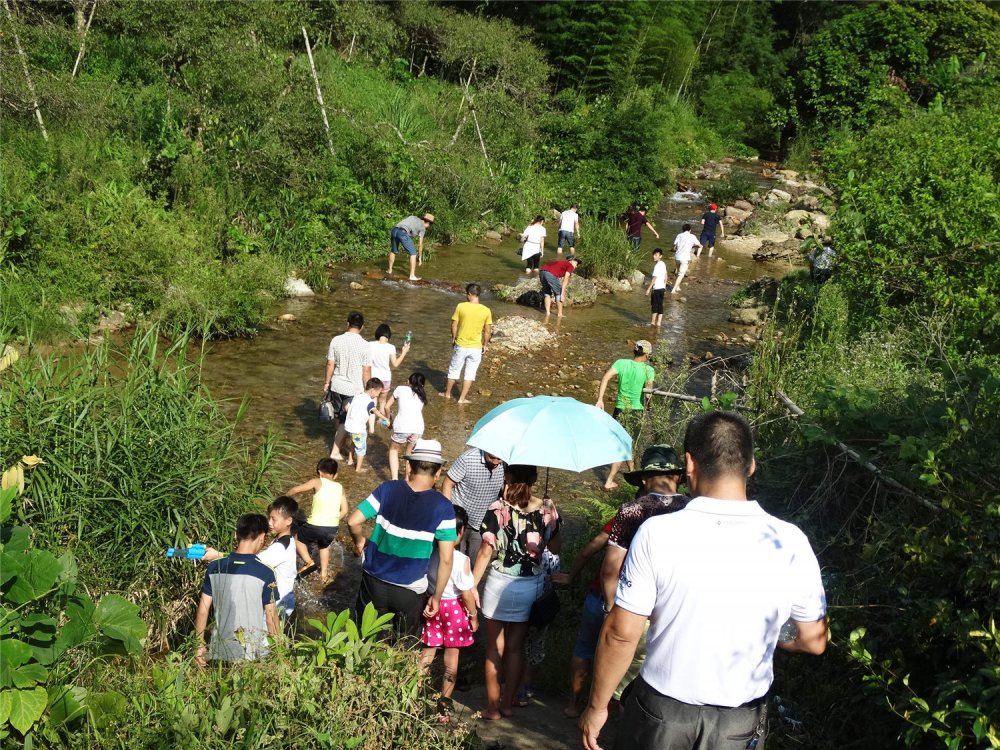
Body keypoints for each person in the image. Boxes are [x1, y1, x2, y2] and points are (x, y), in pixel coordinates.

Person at [580, 411, 829, 750]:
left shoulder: (658, 533)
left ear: (689, 464)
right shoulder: (790, 540)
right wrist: (770, 629)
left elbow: (622, 633)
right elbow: (813, 640)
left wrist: (596, 707)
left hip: (661, 714)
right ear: (751, 465)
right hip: (739, 721)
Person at [472, 465, 561, 720]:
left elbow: (485, 552)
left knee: (493, 649)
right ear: (534, 479)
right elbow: (555, 547)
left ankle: (492, 708)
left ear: (507, 478)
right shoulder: (546, 509)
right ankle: (508, 704)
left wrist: (472, 586)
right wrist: (551, 521)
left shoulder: (498, 509)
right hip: (529, 585)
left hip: (498, 581)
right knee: (515, 649)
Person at [348, 439, 457, 639]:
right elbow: (447, 559)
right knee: (402, 644)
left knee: (365, 638)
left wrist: (360, 541)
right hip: (410, 589)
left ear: (408, 465)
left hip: (374, 581)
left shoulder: (387, 489)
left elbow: (353, 521)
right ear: (439, 471)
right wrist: (437, 596)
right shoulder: (444, 507)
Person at [419, 505, 480, 723]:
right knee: (451, 660)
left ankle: (413, 694)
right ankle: (444, 705)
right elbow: (466, 594)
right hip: (453, 610)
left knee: (427, 653)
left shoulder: (430, 553)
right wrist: (473, 617)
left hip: (432, 606)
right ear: (461, 532)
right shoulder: (461, 560)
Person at [193, 513, 278, 666]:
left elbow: (203, 610)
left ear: (236, 534)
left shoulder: (214, 567)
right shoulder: (266, 572)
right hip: (251, 654)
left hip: (219, 651)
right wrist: (279, 652)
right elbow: (271, 618)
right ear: (262, 537)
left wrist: (199, 647)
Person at [550, 520, 615, 718]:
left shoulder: (625, 516)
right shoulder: (670, 519)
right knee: (616, 657)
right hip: (629, 607)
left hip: (598, 597)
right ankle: (604, 709)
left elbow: (589, 550)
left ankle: (573, 704)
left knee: (584, 648)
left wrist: (571, 576)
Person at [595, 341, 655, 489]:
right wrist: (649, 407)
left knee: (626, 443)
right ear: (647, 355)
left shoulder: (621, 363)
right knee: (624, 445)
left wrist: (600, 399)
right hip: (635, 410)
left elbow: (605, 377)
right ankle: (609, 481)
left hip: (619, 409)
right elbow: (648, 394)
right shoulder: (649, 370)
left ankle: (633, 473)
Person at [287, 457, 349, 583]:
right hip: (332, 527)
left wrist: (285, 497)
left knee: (297, 538)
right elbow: (345, 510)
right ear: (335, 475)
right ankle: (323, 574)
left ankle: (309, 562)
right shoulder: (340, 487)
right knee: (323, 546)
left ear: (319, 472)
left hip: (315, 525)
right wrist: (333, 520)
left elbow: (295, 490)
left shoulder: (317, 481)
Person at [441, 447, 506, 565]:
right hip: (461, 519)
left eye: (499, 459)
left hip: (483, 523)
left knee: (475, 563)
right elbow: (447, 484)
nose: (496, 462)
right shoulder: (468, 459)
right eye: (491, 457)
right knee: (453, 561)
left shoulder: (506, 463)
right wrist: (449, 515)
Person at [324, 311, 372, 461]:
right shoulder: (365, 345)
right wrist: (368, 390)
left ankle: (339, 444)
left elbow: (330, 363)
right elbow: (366, 370)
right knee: (348, 421)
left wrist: (326, 382)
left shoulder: (336, 340)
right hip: (354, 388)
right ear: (362, 327)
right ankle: (336, 450)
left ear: (347, 324)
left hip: (337, 385)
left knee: (338, 416)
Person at [256, 495, 302, 622]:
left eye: (273, 519)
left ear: (288, 521)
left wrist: (219, 555)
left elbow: (252, 562)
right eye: (269, 518)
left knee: (268, 640)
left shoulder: (281, 547)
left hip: (278, 604)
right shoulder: (286, 540)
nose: (269, 523)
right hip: (283, 600)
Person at [444, 283, 492, 404]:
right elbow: (487, 331)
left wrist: (453, 338)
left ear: (470, 294)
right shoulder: (486, 310)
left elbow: (454, 325)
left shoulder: (461, 306)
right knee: (470, 374)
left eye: (467, 294)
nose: (466, 296)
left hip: (461, 345)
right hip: (476, 348)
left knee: (453, 370)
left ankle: (447, 394)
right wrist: (485, 345)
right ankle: (461, 399)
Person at [385, 372, 428, 480]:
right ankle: (407, 479)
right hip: (418, 429)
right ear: (422, 385)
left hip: (403, 427)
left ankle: (395, 480)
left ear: (408, 381)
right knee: (409, 454)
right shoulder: (422, 395)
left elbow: (386, 407)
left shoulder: (400, 389)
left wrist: (389, 421)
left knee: (393, 450)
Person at [343, 377, 390, 474]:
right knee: (361, 449)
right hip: (358, 429)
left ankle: (350, 460)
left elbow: (347, 406)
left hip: (349, 426)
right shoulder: (369, 402)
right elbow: (375, 411)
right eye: (378, 392)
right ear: (372, 390)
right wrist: (385, 418)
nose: (378, 395)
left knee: (353, 442)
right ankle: (358, 469)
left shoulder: (357, 396)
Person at [369, 324, 410, 413]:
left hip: (374, 378)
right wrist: (404, 352)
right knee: (383, 402)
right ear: (388, 335)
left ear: (378, 333)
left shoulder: (370, 345)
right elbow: (395, 364)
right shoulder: (391, 347)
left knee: (373, 402)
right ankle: (381, 422)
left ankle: (371, 423)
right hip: (386, 378)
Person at [388, 213, 434, 280]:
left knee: (393, 251)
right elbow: (420, 244)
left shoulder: (413, 217)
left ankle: (389, 270)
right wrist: (420, 257)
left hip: (394, 230)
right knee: (413, 254)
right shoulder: (423, 228)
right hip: (402, 233)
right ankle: (412, 276)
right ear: (429, 223)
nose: (428, 227)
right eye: (430, 225)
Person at [671, 223, 701, 295]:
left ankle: (677, 287)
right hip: (685, 258)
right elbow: (699, 245)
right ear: (690, 230)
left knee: (678, 272)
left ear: (683, 229)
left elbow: (674, 245)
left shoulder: (679, 235)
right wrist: (692, 246)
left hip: (677, 257)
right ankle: (673, 290)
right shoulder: (692, 236)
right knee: (681, 274)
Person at [645, 248, 668, 326]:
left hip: (657, 289)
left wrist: (648, 289)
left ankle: (653, 322)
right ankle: (659, 323)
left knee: (654, 305)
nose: (654, 256)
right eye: (653, 255)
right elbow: (666, 276)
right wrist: (664, 286)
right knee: (660, 305)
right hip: (662, 288)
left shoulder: (657, 266)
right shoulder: (663, 264)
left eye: (656, 255)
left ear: (660, 256)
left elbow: (654, 278)